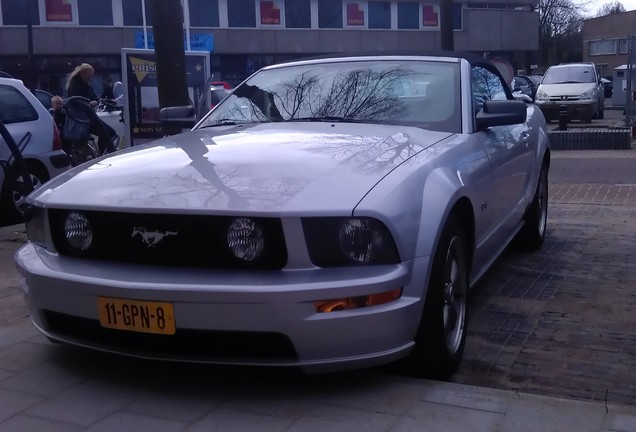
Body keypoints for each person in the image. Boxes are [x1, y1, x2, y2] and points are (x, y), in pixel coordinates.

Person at [66, 63, 118, 154]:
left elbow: (94, 97)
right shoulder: (75, 85)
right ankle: (103, 154)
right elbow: (76, 100)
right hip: (83, 118)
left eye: (91, 77)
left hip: (88, 117)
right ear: (82, 74)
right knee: (109, 133)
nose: (89, 79)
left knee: (107, 133)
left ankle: (102, 153)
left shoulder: (86, 84)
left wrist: (99, 101)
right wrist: (89, 103)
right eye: (88, 77)